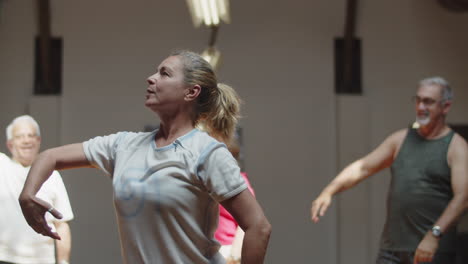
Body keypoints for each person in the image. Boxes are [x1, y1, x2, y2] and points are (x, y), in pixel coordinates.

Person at [18, 50, 271, 264]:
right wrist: (27, 195)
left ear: (191, 92)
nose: (150, 79)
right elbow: (50, 157)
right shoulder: (123, 145)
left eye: (164, 73)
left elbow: (258, 228)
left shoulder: (208, 153)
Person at [311, 77, 468, 264]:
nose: (420, 107)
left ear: (446, 107)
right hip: (392, 250)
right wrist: (329, 191)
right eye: (418, 100)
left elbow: (463, 197)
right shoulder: (400, 140)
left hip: (431, 251)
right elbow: (362, 167)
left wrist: (435, 235)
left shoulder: (456, 147)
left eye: (428, 101)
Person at [0, 115, 73, 264]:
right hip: (4, 257)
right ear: (10, 144)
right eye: (20, 136)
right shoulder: (2, 166)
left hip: (42, 259)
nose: (27, 140)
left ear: (38, 141)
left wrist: (63, 261)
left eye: (31, 135)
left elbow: (62, 224)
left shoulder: (52, 175)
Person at [214, 138, 255, 264]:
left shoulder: (238, 182)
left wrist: (234, 256)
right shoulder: (210, 183)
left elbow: (247, 224)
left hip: (227, 250)